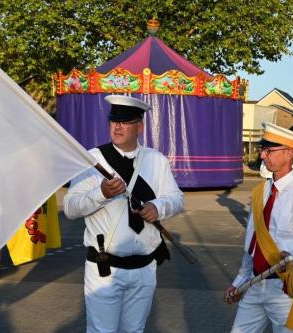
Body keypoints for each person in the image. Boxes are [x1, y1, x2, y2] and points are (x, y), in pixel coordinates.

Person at [64, 95, 183, 333]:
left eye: (125, 121)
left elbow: (177, 199)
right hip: (105, 269)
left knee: (135, 330)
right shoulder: (93, 159)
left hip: (145, 268)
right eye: (113, 120)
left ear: (139, 126)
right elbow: (70, 208)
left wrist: (158, 207)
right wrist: (101, 193)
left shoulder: (155, 160)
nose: (117, 126)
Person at [224, 123, 293, 333]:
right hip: (253, 284)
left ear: (288, 154)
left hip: (284, 289)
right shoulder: (260, 191)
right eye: (262, 150)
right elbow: (252, 244)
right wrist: (239, 281)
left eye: (269, 150)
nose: (263, 155)